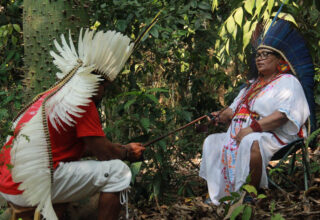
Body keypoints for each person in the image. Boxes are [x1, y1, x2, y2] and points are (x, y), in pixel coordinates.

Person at [0, 29, 145, 220]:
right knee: (119, 172)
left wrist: (120, 148)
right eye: (104, 87)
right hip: (26, 188)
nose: (102, 92)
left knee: (73, 165)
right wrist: (126, 153)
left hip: (8, 183)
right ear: (97, 84)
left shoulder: (49, 96)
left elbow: (74, 149)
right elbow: (105, 154)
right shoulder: (83, 100)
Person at [199, 19, 315, 205]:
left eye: (266, 54)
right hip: (240, 134)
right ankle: (219, 194)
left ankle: (248, 194)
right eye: (258, 55)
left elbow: (281, 116)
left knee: (251, 141)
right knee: (212, 141)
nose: (260, 58)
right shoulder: (251, 86)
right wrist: (217, 116)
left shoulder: (288, 82)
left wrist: (251, 129)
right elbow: (232, 110)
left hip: (273, 135)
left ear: (279, 59)